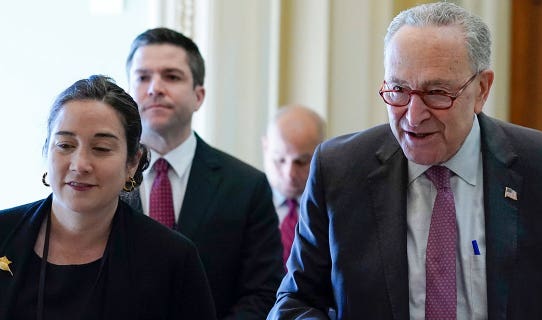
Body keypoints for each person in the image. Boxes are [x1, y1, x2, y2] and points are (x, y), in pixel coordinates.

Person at [268, 2, 542, 320]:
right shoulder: (340, 169)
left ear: (482, 90)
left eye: (437, 94)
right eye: (398, 91)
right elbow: (295, 302)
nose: (413, 117)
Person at [0, 75, 216, 319]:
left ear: (132, 163)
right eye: (65, 145)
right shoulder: (4, 233)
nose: (80, 165)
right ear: (46, 150)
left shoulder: (172, 258)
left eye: (101, 149)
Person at [123, 27, 283, 319]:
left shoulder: (247, 187)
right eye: (143, 77)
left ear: (199, 96)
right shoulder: (101, 180)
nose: (154, 88)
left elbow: (263, 292)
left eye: (171, 76)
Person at [262, 105, 325, 265]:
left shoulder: (335, 207)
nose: (289, 174)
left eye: (301, 162)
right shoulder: (243, 203)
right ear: (265, 147)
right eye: (280, 160)